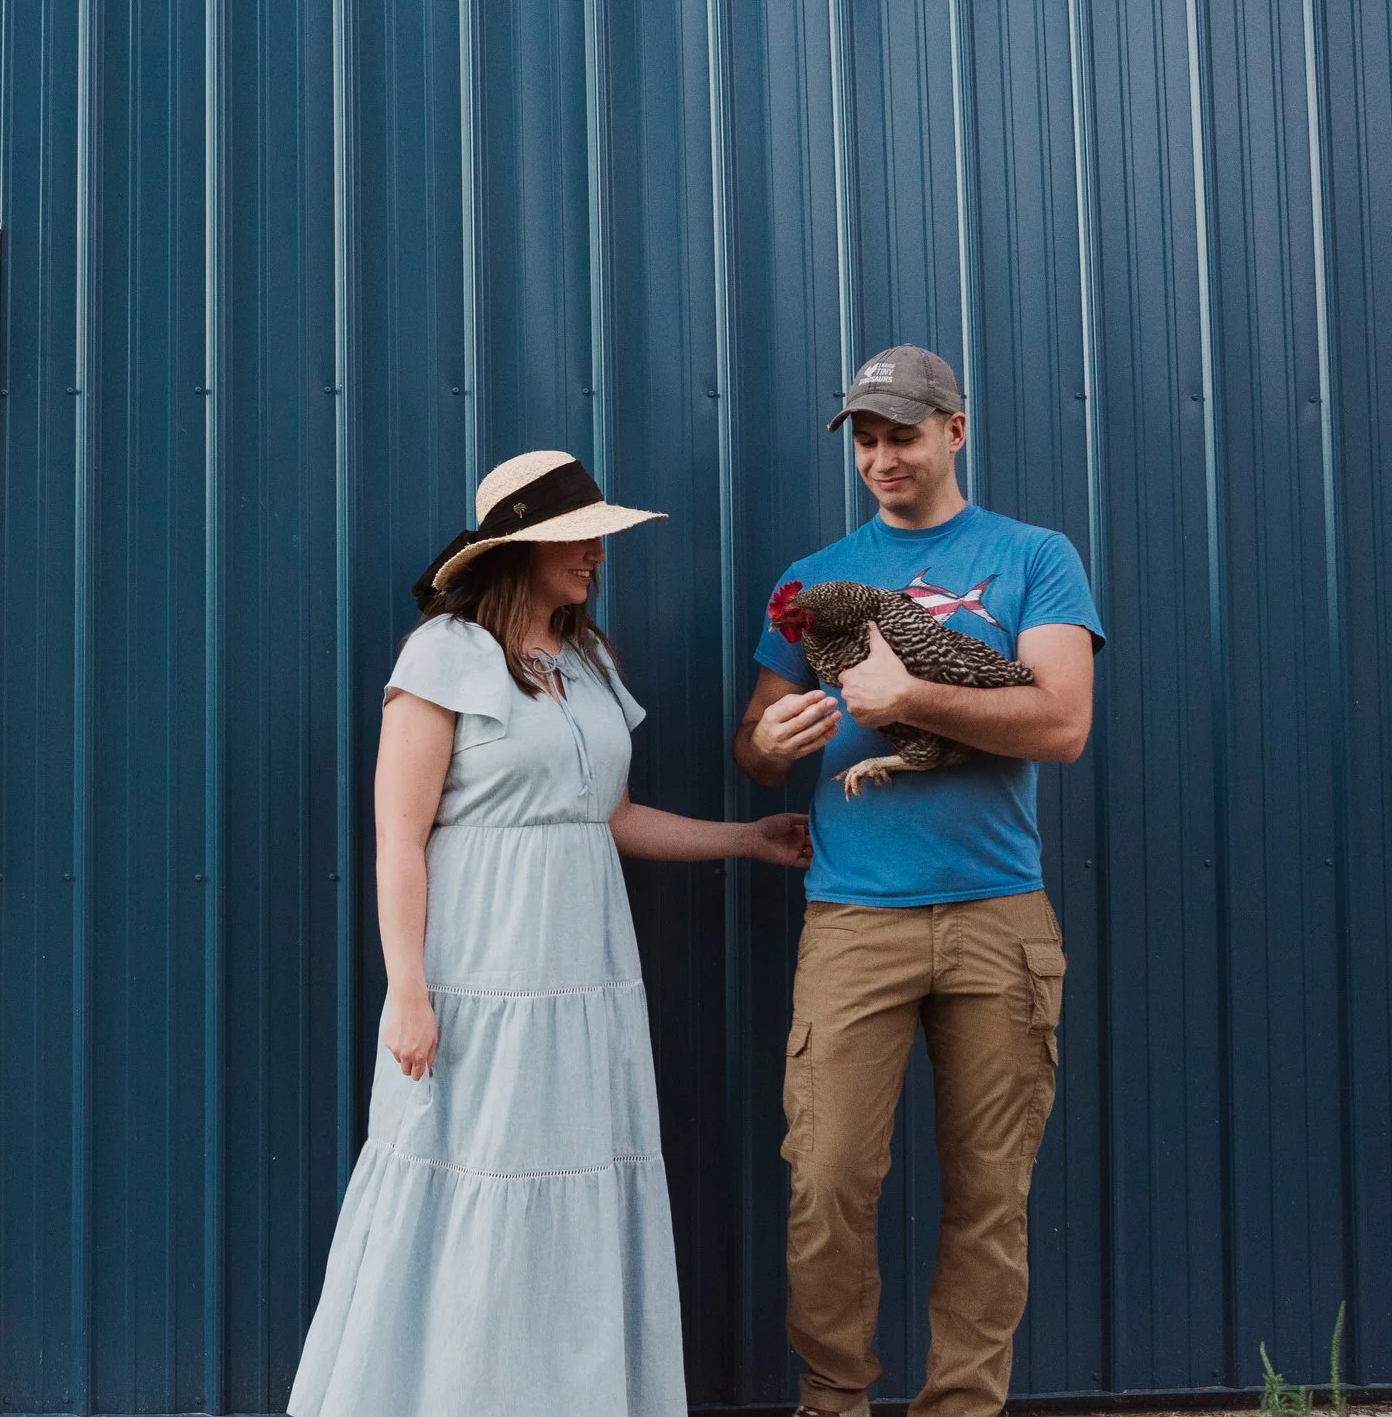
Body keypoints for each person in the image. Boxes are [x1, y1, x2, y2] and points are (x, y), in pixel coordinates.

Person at [290, 450, 812, 1417]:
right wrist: (409, 990)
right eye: (578, 539)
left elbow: (607, 815)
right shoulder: (442, 654)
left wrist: (747, 837)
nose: (595, 557)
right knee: (474, 1172)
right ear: (520, 547)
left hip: (585, 966)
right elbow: (398, 838)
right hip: (478, 968)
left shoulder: (589, 660)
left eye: (598, 539)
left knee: (573, 1174)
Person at [733, 347, 1104, 1417]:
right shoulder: (811, 577)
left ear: (955, 428)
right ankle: (833, 1397)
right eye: (863, 437)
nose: (880, 455)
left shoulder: (1034, 555)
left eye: (900, 432)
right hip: (855, 916)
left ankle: (962, 1407)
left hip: (997, 913)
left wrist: (907, 696)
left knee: (989, 1192)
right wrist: (776, 736)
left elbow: (1062, 722)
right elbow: (752, 748)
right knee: (829, 1177)